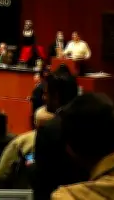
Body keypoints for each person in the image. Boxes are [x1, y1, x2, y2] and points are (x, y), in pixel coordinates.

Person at [32, 67, 84, 200]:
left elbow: (42, 180)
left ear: (56, 96)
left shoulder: (48, 130)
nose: (43, 98)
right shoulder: (91, 124)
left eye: (46, 94)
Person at [0, 108, 54, 189]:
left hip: (26, 190)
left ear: (35, 123)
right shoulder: (66, 141)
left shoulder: (22, 141)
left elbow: (1, 172)